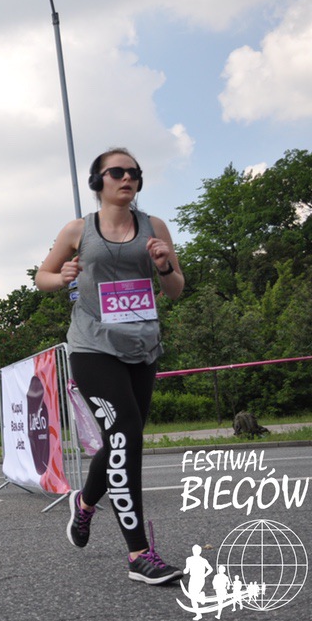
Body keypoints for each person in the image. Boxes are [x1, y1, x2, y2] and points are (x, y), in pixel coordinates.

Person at [35, 147, 185, 585]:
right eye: (116, 172)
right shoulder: (79, 229)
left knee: (120, 439)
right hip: (92, 347)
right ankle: (139, 553)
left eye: (134, 172)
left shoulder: (154, 227)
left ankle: (84, 504)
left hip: (142, 346)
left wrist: (164, 266)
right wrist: (61, 277)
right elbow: (42, 277)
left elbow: (176, 289)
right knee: (126, 435)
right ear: (97, 181)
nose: (127, 178)